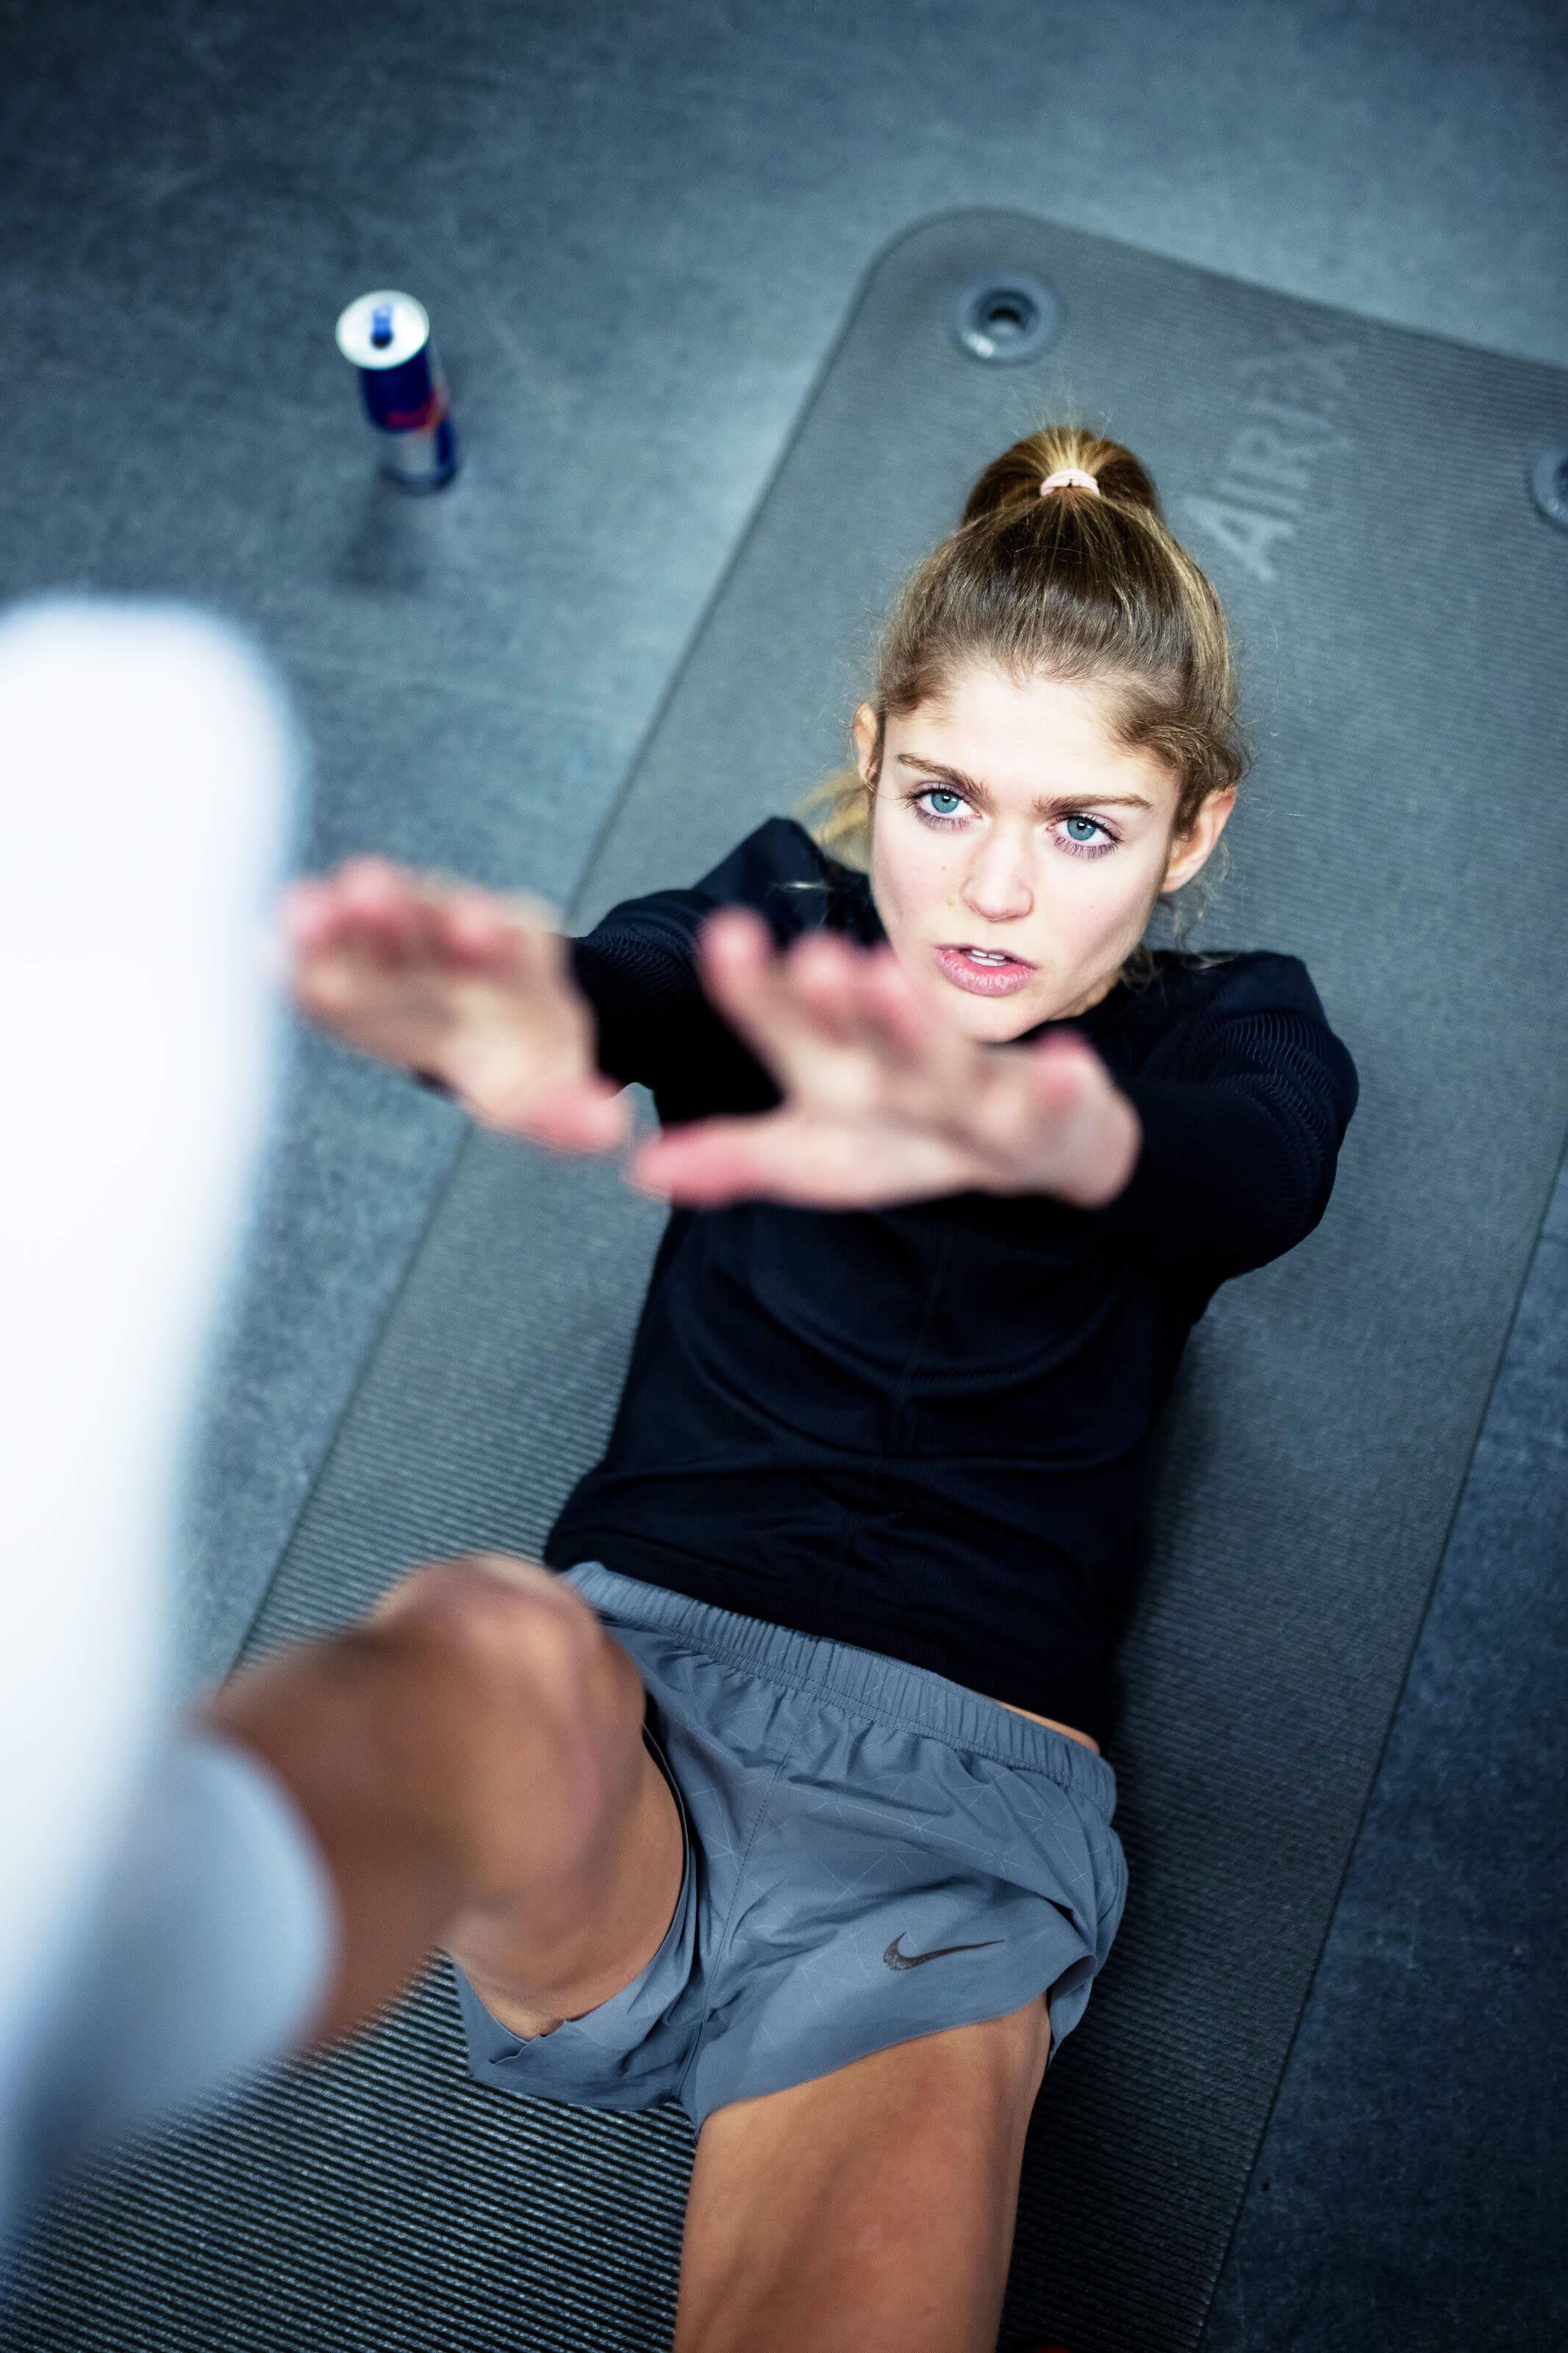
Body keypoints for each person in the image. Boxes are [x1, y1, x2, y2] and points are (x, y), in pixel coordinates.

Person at [271, 428, 1358, 2353]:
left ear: (1192, 835)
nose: (994, 892)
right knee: (475, 1632)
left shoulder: (1229, 1028)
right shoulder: (787, 918)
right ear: (873, 760)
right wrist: (531, 1001)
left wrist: (1025, 1120)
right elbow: (643, 982)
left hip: (950, 1828)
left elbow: (1261, 1172)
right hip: (632, 1708)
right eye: (944, 801)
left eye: (1086, 829)